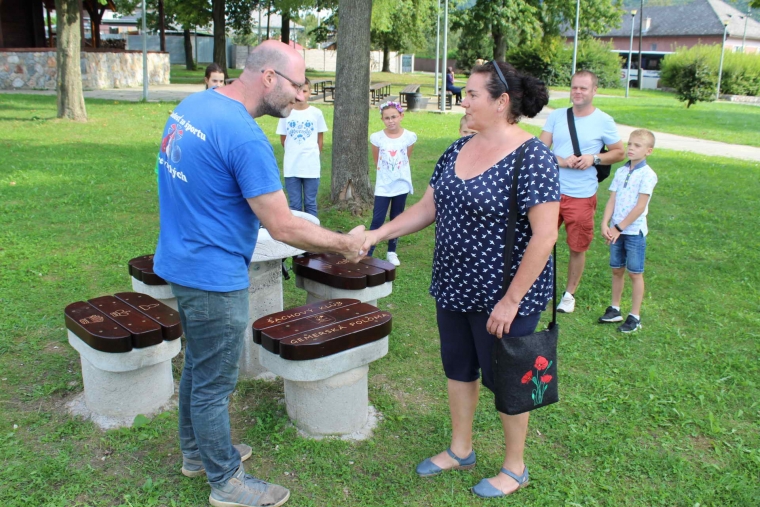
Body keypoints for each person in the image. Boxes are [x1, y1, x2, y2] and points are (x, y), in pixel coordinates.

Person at [154, 40, 366, 507]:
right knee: (214, 383)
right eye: (297, 84)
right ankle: (225, 481)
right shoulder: (245, 137)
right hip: (212, 276)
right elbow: (283, 225)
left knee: (198, 367)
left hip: (179, 261)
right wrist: (345, 243)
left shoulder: (195, 105)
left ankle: (197, 453)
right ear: (269, 77)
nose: (301, 94)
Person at [362, 61, 559, 498]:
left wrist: (511, 300)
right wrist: (379, 232)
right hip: (453, 284)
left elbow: (545, 236)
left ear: (501, 102)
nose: (462, 101)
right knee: (458, 369)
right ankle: (460, 448)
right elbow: (427, 208)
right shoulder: (457, 149)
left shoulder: (533, 157)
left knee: (508, 380)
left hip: (505, 296)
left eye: (471, 94)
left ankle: (515, 466)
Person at [539, 70, 625, 313]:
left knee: (577, 246)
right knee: (540, 241)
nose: (577, 92)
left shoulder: (604, 121)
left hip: (582, 195)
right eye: (574, 87)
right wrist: (561, 161)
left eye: (583, 88)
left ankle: (569, 294)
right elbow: (541, 148)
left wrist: (593, 158)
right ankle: (539, 286)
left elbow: (619, 152)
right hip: (550, 192)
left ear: (594, 91)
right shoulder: (557, 116)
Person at [598, 129, 658, 333]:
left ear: (649, 151)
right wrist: (605, 223)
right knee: (617, 269)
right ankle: (615, 308)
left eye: (637, 145)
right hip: (615, 231)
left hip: (633, 232)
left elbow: (640, 207)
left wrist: (619, 227)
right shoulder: (621, 171)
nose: (631, 148)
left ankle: (635, 316)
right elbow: (612, 199)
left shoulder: (648, 175)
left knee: (635, 273)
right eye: (630, 144)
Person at [367, 100, 417, 267]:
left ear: (401, 116)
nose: (391, 121)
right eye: (387, 118)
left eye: (394, 117)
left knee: (396, 218)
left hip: (400, 185)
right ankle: (368, 251)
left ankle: (392, 251)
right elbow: (377, 161)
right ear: (382, 119)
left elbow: (406, 157)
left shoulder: (409, 136)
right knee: (378, 219)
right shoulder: (377, 138)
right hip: (384, 185)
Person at [276, 78, 328, 218]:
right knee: (295, 205)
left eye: (304, 91)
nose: (300, 95)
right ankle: (296, 238)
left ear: (309, 93)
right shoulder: (285, 113)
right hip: (291, 167)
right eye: (297, 91)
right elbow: (283, 139)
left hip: (310, 166)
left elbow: (320, 139)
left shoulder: (316, 113)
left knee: (310, 203)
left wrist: (313, 155)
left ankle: (314, 237)